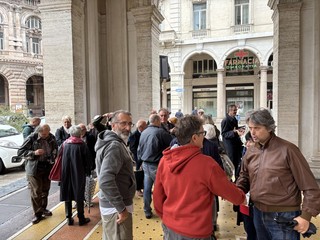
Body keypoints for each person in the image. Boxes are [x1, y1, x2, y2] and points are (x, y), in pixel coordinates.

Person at [153, 115, 245, 240]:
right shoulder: (207, 164)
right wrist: (241, 197)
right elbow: (230, 193)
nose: (205, 136)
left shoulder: (165, 159)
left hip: (170, 226)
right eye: (203, 133)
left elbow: (158, 196)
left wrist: (167, 217)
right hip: (196, 231)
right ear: (194, 137)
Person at [236, 108, 320, 240]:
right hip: (257, 212)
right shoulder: (251, 151)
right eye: (250, 128)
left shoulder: (288, 150)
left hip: (284, 215)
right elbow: (244, 176)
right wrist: (237, 191)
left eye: (257, 128)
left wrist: (306, 216)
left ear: (269, 127)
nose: (252, 132)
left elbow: (310, 186)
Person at [95, 110, 136, 240]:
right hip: (116, 208)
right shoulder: (114, 146)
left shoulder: (115, 142)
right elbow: (106, 180)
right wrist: (121, 209)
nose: (128, 128)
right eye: (123, 123)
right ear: (113, 125)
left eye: (130, 124)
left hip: (115, 205)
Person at [17, 124, 58, 224]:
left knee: (45, 189)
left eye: (47, 134)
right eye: (43, 134)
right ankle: (37, 214)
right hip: (34, 168)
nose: (45, 136)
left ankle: (43, 209)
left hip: (47, 167)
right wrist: (34, 153)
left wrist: (53, 157)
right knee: (36, 191)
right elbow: (20, 152)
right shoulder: (31, 138)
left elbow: (55, 149)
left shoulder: (51, 137)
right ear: (39, 132)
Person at [137, 114, 172, 219]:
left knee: (147, 189)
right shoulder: (160, 132)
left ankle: (147, 210)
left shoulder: (144, 132)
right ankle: (162, 210)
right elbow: (172, 143)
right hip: (156, 165)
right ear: (157, 121)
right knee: (161, 189)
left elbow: (139, 148)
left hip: (145, 164)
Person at [60, 125, 92, 226]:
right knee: (79, 195)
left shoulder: (64, 144)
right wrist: (88, 171)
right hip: (78, 173)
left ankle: (69, 218)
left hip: (65, 173)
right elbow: (88, 161)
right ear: (79, 134)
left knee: (67, 194)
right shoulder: (82, 144)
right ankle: (81, 218)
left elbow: (58, 156)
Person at [221, 104, 244, 178]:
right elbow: (224, 134)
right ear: (229, 111)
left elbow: (235, 130)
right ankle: (232, 178)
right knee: (232, 161)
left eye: (236, 110)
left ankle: (236, 177)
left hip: (236, 143)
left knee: (237, 161)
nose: (235, 112)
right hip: (229, 145)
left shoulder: (234, 119)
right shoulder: (225, 120)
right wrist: (234, 132)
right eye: (234, 110)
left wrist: (239, 130)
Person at [128, 119, 148, 197]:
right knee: (138, 174)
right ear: (140, 127)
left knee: (143, 174)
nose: (147, 127)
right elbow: (132, 148)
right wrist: (140, 157)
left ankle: (143, 188)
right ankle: (138, 190)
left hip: (144, 156)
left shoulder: (144, 133)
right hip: (138, 158)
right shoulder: (134, 135)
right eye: (145, 126)